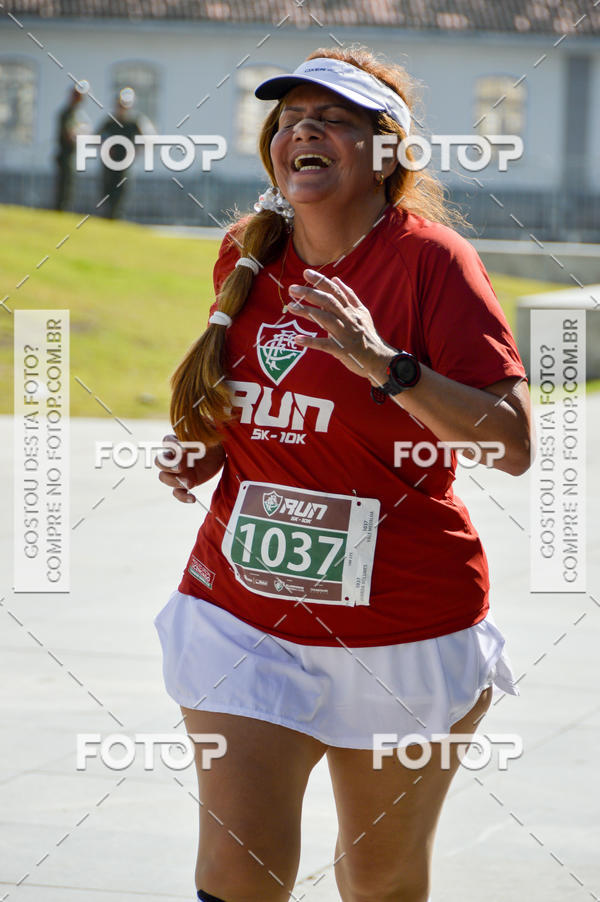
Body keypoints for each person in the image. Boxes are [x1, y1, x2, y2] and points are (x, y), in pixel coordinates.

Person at [154, 47, 532, 902]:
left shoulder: (433, 264)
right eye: (288, 120)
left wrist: (381, 363)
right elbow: (254, 403)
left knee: (382, 882)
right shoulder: (246, 254)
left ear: (385, 150)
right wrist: (205, 449)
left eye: (331, 119)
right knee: (237, 871)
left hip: (401, 624)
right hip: (241, 613)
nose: (302, 132)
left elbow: (509, 443)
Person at [96, 87, 154, 219]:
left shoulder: (135, 122)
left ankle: (117, 216)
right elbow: (98, 137)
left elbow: (148, 138)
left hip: (125, 164)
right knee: (107, 190)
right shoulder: (109, 122)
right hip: (108, 163)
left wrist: (136, 150)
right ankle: (107, 215)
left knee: (120, 191)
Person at [54, 81, 90, 211]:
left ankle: (65, 209)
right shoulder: (67, 113)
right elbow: (69, 135)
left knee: (70, 186)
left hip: (72, 154)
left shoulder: (77, 114)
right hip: (65, 154)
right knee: (64, 185)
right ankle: (60, 210)